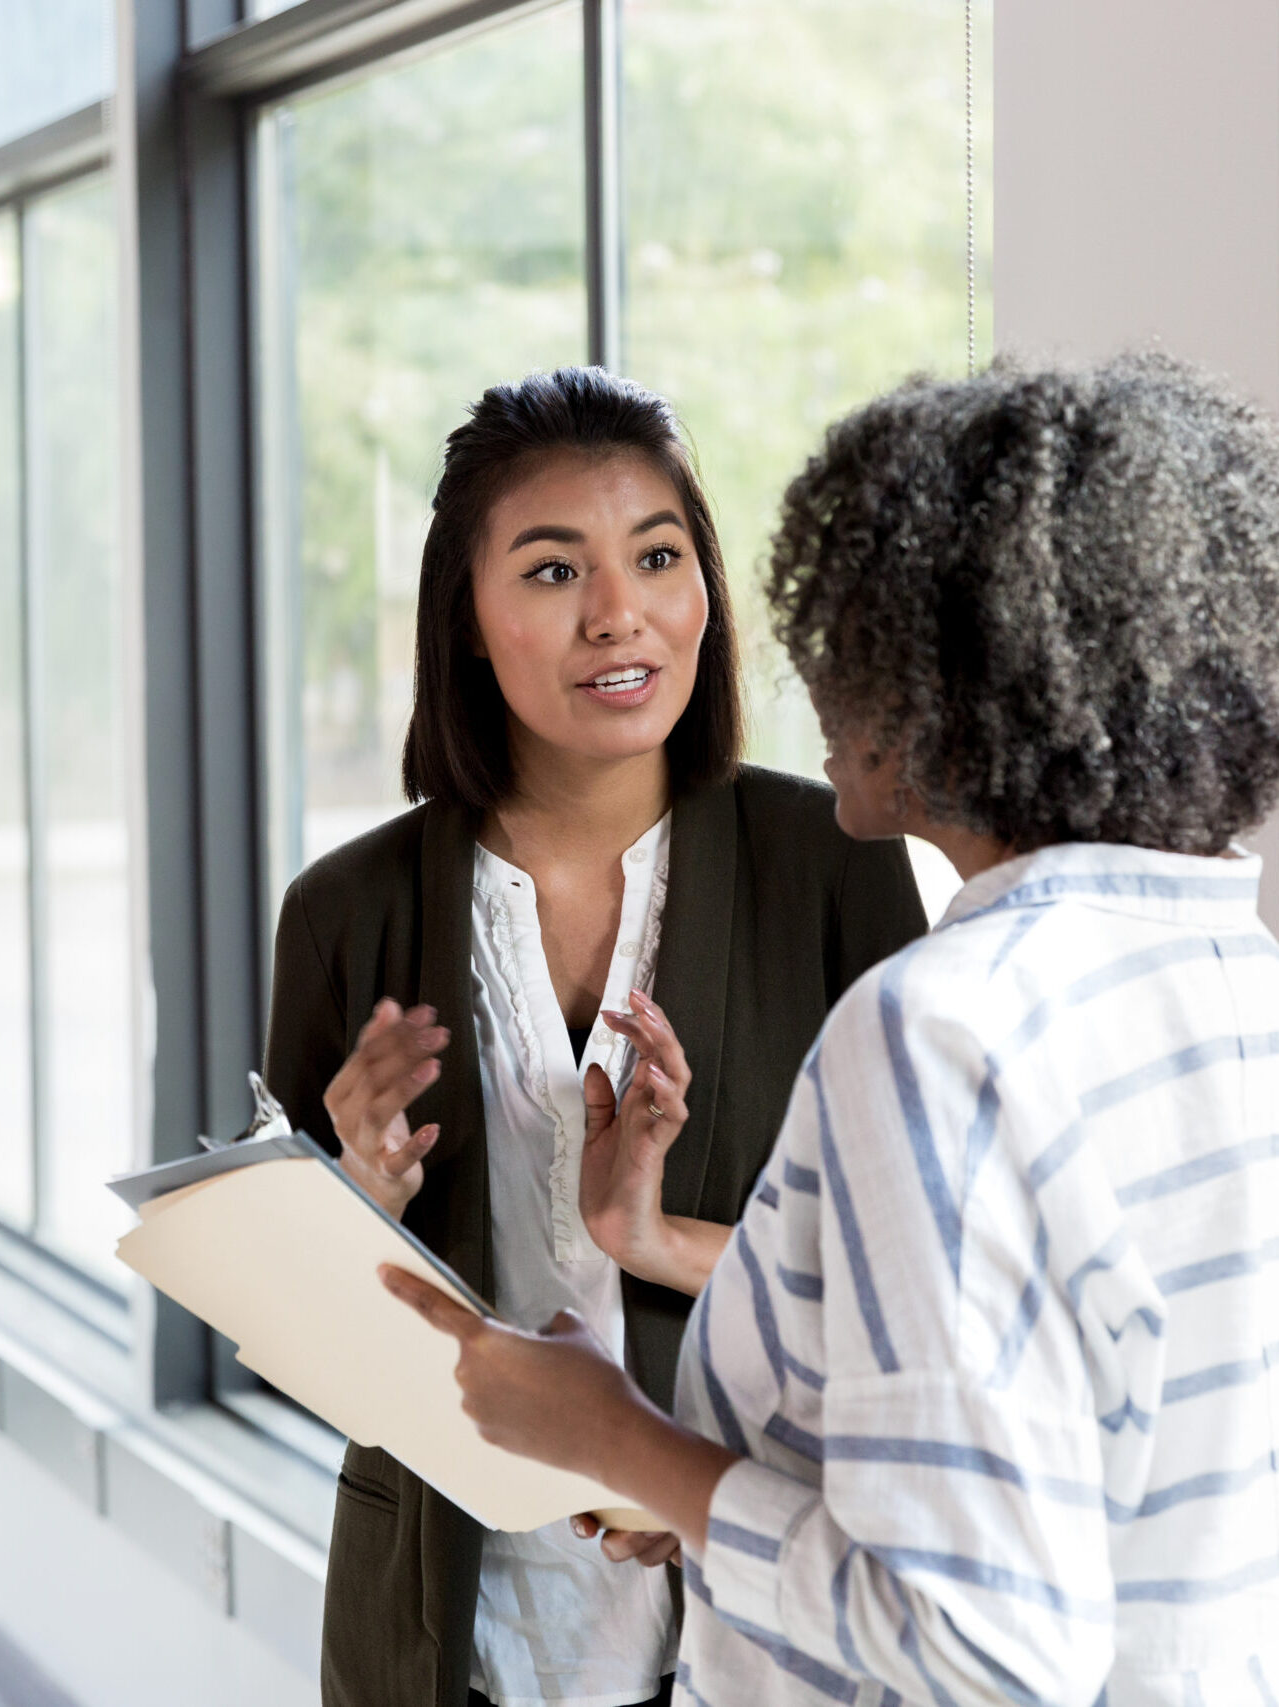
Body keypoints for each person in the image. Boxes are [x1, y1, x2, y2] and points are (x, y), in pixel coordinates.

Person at [385, 352, 1279, 1706]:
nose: (810, 678)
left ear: (955, 680)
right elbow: (1060, 1458)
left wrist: (622, 1443)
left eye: (849, 634)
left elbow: (978, 1643)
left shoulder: (944, 1031)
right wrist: (665, 1329)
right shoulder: (1235, 976)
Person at [263, 365, 926, 1707]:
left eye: (659, 557)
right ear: (467, 621)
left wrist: (664, 1442)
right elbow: (296, 1348)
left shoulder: (832, 865)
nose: (620, 615)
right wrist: (358, 1203)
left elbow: (912, 1284)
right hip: (453, 1629)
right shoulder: (348, 914)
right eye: (555, 572)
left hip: (751, 1607)